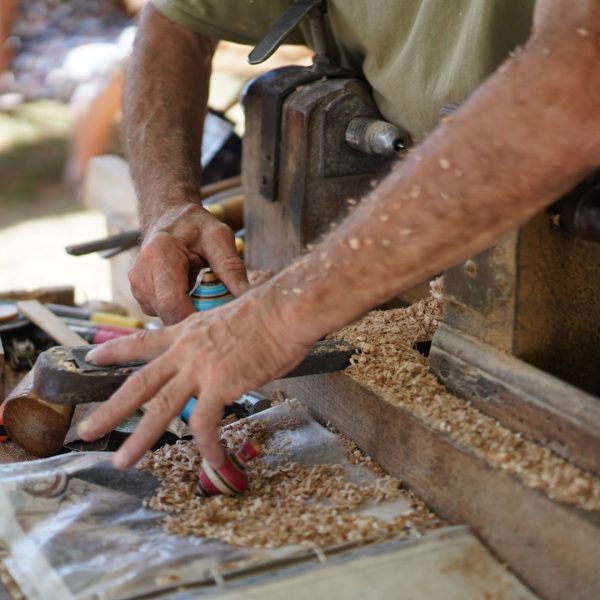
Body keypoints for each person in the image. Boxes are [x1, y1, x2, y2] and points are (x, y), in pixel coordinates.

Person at [78, 1, 600, 473]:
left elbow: (574, 88)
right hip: (406, 238)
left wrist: (281, 314)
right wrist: (168, 205)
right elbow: (176, 21)